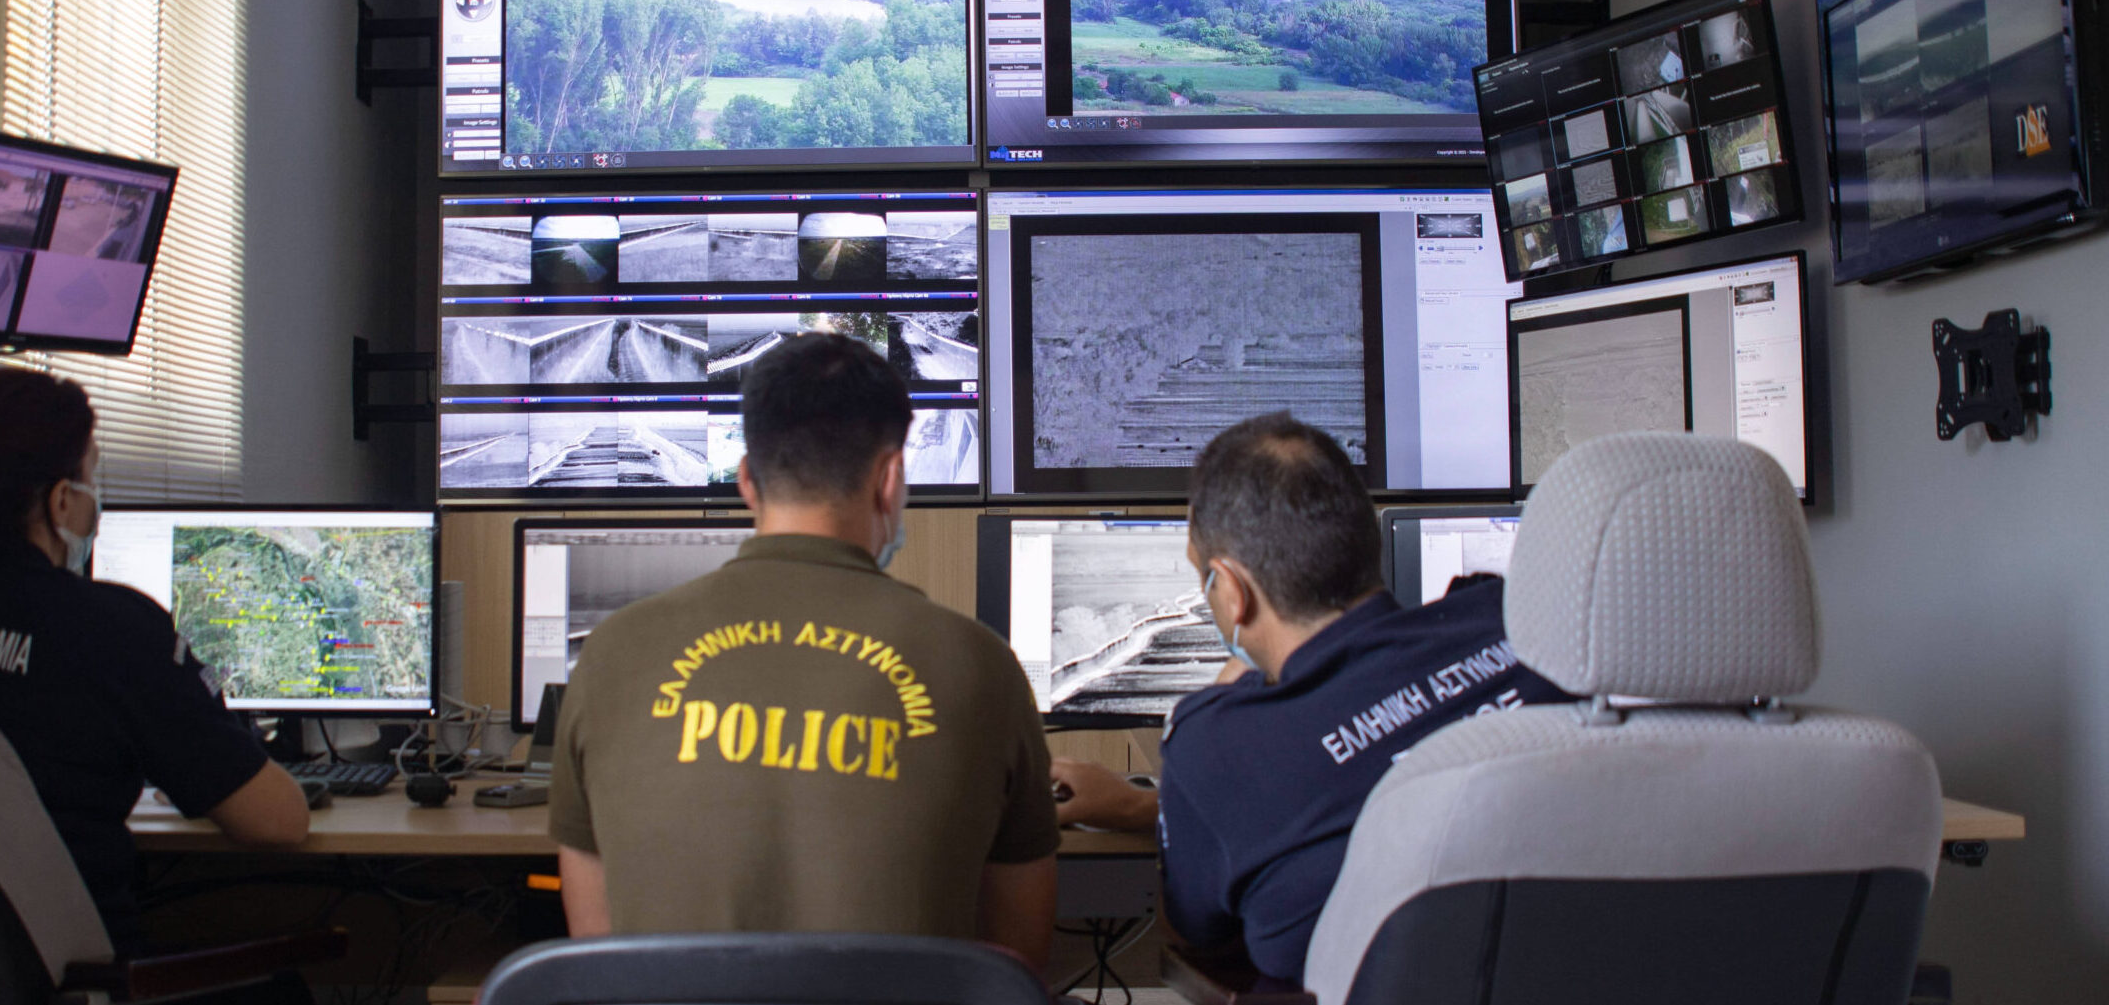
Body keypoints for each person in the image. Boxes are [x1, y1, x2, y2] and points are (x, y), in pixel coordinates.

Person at [547, 334, 1059, 971]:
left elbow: (599, 967)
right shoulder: (981, 664)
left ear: (746, 483)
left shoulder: (611, 652)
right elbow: (1016, 968)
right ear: (891, 479)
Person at [1050, 413, 1569, 981]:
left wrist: (1203, 732)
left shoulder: (1222, 747)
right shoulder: (1519, 626)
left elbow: (1192, 938)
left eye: (1203, 577)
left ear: (1232, 591)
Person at [0, 369, 307, 948]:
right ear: (61, 500)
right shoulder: (108, 628)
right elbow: (276, 821)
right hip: (69, 979)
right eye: (92, 476)